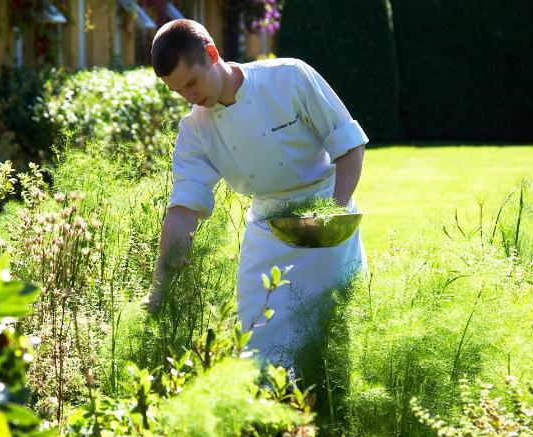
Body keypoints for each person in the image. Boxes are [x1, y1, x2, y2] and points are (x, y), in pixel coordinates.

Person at [144, 19, 368, 366]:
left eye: (192, 83)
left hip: (326, 212)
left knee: (333, 339)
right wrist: (160, 284)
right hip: (267, 227)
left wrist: (331, 213)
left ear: (211, 54)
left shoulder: (289, 77)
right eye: (178, 92)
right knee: (254, 340)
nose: (190, 97)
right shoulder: (194, 130)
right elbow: (184, 209)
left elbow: (348, 145)